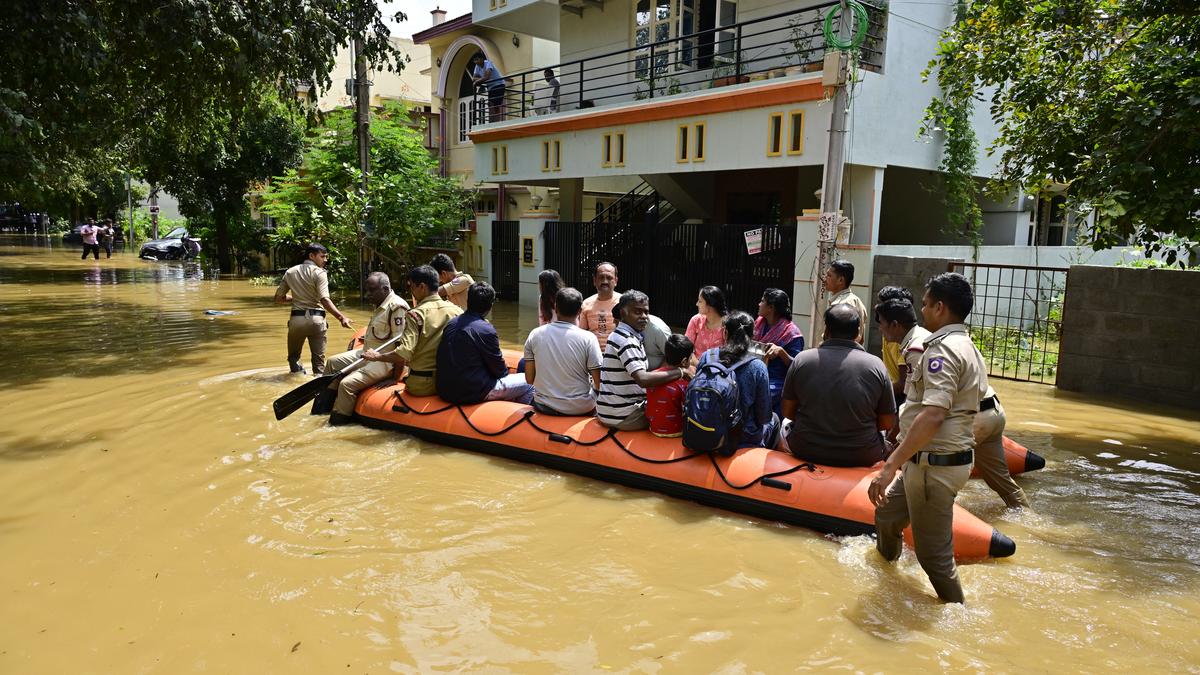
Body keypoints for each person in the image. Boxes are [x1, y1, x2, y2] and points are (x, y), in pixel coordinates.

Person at [868, 273, 989, 604]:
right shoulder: (966, 346)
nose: (920, 310)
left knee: (933, 556)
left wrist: (890, 464)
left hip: (932, 465)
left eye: (924, 303)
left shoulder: (942, 351)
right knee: (888, 516)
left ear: (940, 306)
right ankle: (886, 574)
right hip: (925, 461)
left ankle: (958, 618)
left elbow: (933, 414)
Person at [780, 304, 896, 466]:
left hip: (805, 448)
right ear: (857, 333)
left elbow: (788, 412)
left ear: (826, 331)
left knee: (783, 424)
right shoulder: (876, 365)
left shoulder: (802, 359)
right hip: (863, 453)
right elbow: (887, 423)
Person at [321, 272, 410, 425]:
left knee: (346, 384)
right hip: (366, 353)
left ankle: (337, 423)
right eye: (367, 290)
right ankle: (321, 411)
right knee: (331, 363)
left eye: (372, 290)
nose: (368, 294)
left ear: (385, 288)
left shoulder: (397, 307)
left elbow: (401, 346)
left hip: (385, 360)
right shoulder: (379, 305)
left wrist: (395, 378)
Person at [596, 291, 692, 430]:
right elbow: (643, 379)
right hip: (625, 415)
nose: (643, 317)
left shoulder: (619, 335)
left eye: (646, 312)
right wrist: (681, 372)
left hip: (610, 411)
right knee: (677, 410)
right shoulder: (626, 340)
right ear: (623, 313)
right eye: (637, 312)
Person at [363, 265, 462, 397]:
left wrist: (377, 357)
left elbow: (403, 354)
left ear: (422, 287)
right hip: (449, 380)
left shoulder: (415, 315)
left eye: (412, 287)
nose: (411, 292)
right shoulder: (457, 310)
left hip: (422, 385)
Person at [436, 282, 535, 406]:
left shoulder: (451, 323)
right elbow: (500, 371)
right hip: (472, 391)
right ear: (490, 306)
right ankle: (521, 419)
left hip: (444, 389)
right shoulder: (486, 329)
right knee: (530, 381)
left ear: (468, 300)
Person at [696, 311, 778, 449]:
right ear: (752, 336)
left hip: (706, 429)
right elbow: (764, 417)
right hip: (743, 438)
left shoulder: (706, 357)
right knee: (774, 419)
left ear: (725, 333)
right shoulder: (758, 367)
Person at [274, 243, 353, 374]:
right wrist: (341, 317)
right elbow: (324, 299)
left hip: (296, 320)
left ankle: (297, 379)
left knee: (293, 358)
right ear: (311, 256)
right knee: (319, 363)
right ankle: (317, 386)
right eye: (322, 256)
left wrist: (297, 298)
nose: (326, 260)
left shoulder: (290, 272)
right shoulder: (320, 273)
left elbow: (278, 298)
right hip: (317, 321)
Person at [524, 287, 603, 415]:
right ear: (580, 311)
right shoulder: (589, 338)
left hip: (543, 404)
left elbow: (529, 379)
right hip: (580, 407)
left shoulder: (535, 334)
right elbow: (599, 383)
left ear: (555, 307)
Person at [973, 385, 1031, 508]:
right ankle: (1026, 516)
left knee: (936, 468)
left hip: (973, 417)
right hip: (993, 411)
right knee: (1000, 478)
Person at [754, 288, 805, 416]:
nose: (759, 304)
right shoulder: (758, 325)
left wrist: (781, 352)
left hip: (776, 382)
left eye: (762, 301)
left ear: (771, 308)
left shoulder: (792, 334)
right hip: (756, 375)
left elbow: (797, 367)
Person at [875, 295, 930, 417]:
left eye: (882, 323)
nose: (880, 329)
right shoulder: (914, 339)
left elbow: (913, 398)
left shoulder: (914, 350)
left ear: (894, 325)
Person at [646, 334, 694, 437]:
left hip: (653, 428)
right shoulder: (684, 384)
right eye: (690, 358)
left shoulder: (653, 375)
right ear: (684, 361)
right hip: (676, 430)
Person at [876, 286, 915, 403]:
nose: (877, 307)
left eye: (881, 304)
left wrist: (875, 392)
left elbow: (902, 384)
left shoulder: (899, 338)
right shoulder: (888, 331)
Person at [578, 261, 620, 352]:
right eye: (601, 278)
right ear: (594, 281)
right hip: (593, 356)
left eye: (609, 278)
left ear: (616, 281)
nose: (605, 281)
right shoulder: (586, 304)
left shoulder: (624, 302)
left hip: (619, 355)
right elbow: (581, 334)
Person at [825, 259, 868, 342]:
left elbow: (833, 341)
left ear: (840, 280)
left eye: (829, 275)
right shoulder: (856, 300)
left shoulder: (841, 305)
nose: (825, 278)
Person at [685, 285, 728, 358]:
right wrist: (699, 365)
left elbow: (730, 353)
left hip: (719, 367)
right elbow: (686, 348)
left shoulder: (727, 324)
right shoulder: (696, 320)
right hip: (695, 366)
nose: (697, 304)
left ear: (711, 304)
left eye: (700, 301)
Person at [471, 52, 506, 122]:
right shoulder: (477, 66)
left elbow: (487, 76)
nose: (476, 62)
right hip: (490, 87)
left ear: (482, 59)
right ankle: (492, 121)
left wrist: (478, 81)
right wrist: (481, 79)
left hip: (499, 85)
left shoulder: (488, 63)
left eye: (477, 59)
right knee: (490, 104)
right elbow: (474, 78)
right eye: (474, 60)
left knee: (496, 105)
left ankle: (496, 121)